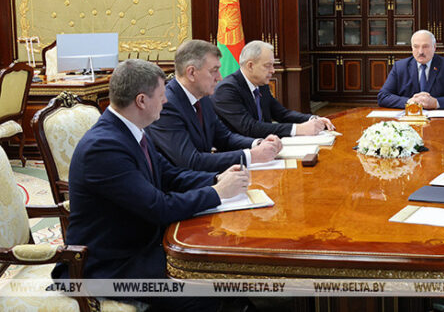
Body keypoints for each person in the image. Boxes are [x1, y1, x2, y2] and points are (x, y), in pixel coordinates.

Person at [51, 59, 249, 311]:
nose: (166, 101)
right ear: (142, 101)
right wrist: (216, 193)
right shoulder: (103, 147)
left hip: (138, 245)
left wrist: (216, 179)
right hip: (106, 266)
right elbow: (158, 207)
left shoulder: (132, 130)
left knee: (218, 268)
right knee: (204, 289)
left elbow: (170, 176)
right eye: (162, 95)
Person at [148, 39, 282, 173]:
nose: (220, 77)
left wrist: (258, 144)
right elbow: (191, 161)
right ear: (191, 73)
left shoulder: (203, 98)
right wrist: (252, 156)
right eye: (214, 70)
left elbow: (224, 138)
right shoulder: (166, 105)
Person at [212, 41, 334, 138]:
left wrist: (312, 119)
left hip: (266, 145)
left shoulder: (261, 85)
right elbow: (249, 127)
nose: (273, 70)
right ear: (250, 66)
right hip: (240, 153)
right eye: (268, 66)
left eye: (273, 65)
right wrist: (298, 129)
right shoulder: (227, 90)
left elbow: (281, 114)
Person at [377, 30, 444, 109]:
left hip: (440, 119)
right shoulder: (400, 67)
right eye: (416, 46)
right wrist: (409, 102)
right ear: (412, 48)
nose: (420, 52)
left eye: (425, 46)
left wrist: (436, 103)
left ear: (434, 47)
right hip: (409, 118)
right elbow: (383, 96)